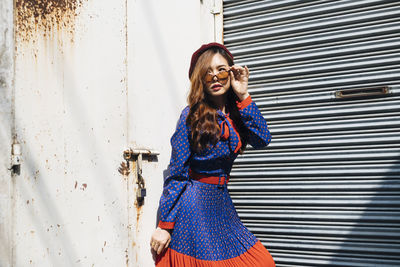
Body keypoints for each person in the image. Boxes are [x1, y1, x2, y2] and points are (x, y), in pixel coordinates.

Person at [150, 42, 275, 266]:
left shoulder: (239, 113)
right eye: (207, 74)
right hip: (194, 205)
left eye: (221, 70)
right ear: (200, 80)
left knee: (262, 262)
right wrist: (164, 225)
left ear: (231, 72)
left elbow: (263, 138)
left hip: (221, 202)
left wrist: (244, 94)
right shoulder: (190, 116)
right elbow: (177, 174)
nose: (215, 77)